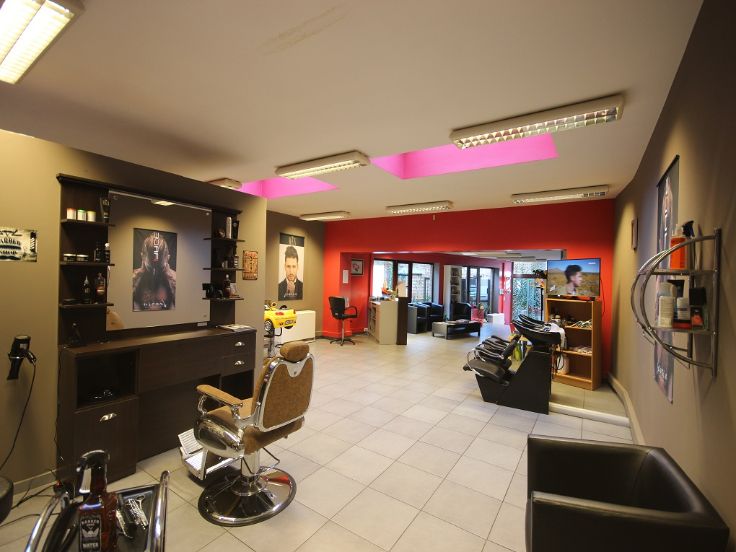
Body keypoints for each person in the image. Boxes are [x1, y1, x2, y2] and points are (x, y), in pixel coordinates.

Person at [132, 232, 176, 310]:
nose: (155, 272)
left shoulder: (175, 279)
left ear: (168, 258)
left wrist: (172, 279)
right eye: (151, 267)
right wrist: (135, 278)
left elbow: (183, 304)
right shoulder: (133, 277)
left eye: (159, 267)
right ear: (142, 257)